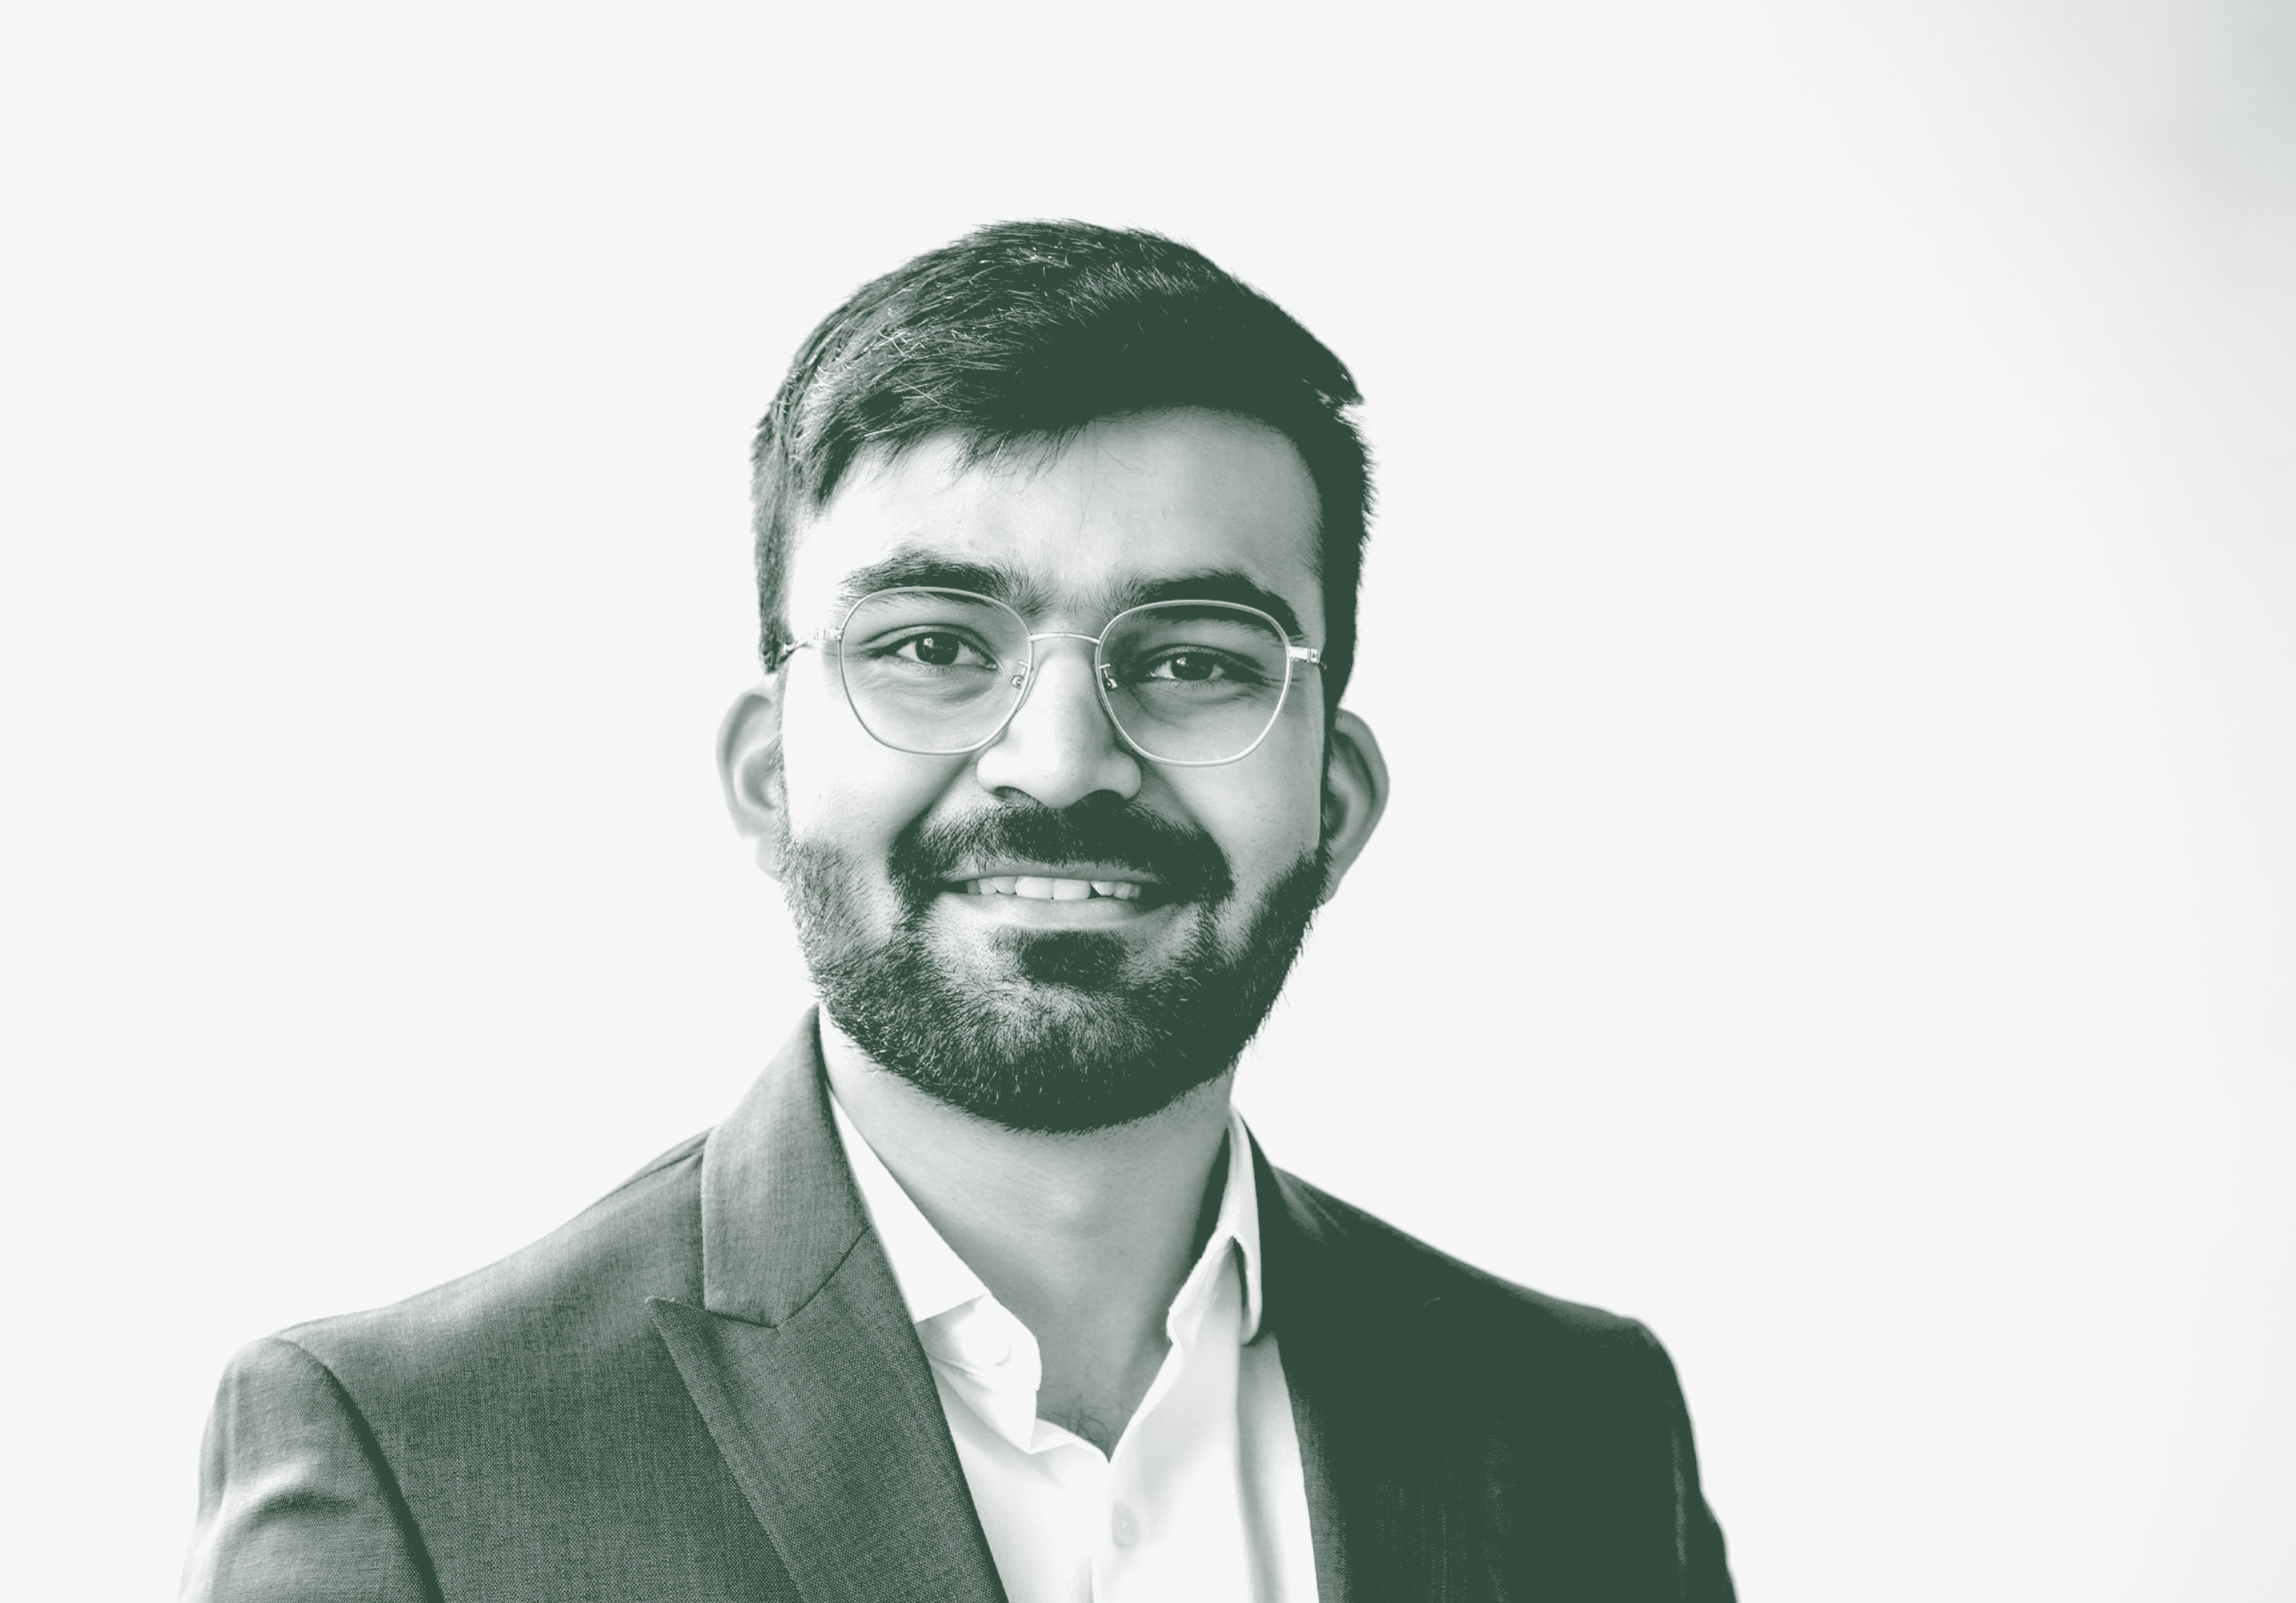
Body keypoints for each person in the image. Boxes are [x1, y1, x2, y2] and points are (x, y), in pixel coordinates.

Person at [181, 220, 1736, 1603]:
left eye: (1196, 658)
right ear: (765, 774)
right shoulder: (411, 1461)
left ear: (1335, 801)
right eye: (931, 645)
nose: (1059, 762)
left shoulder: (1581, 1428)